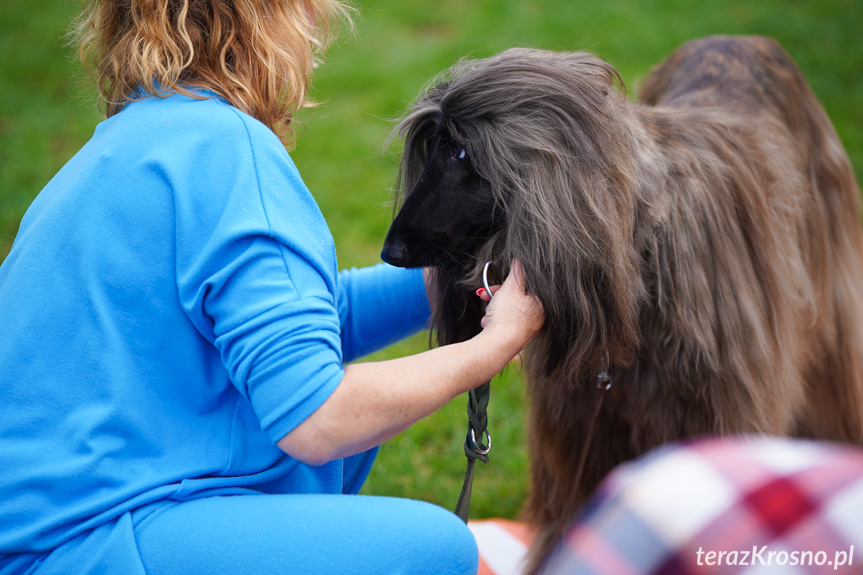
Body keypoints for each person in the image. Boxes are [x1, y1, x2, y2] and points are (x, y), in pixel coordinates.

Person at [0, 1, 544, 574]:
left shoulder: (135, 140)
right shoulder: (228, 153)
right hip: (81, 543)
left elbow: (301, 326)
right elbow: (318, 418)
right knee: (437, 548)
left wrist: (459, 267)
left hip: (51, 521)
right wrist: (495, 344)